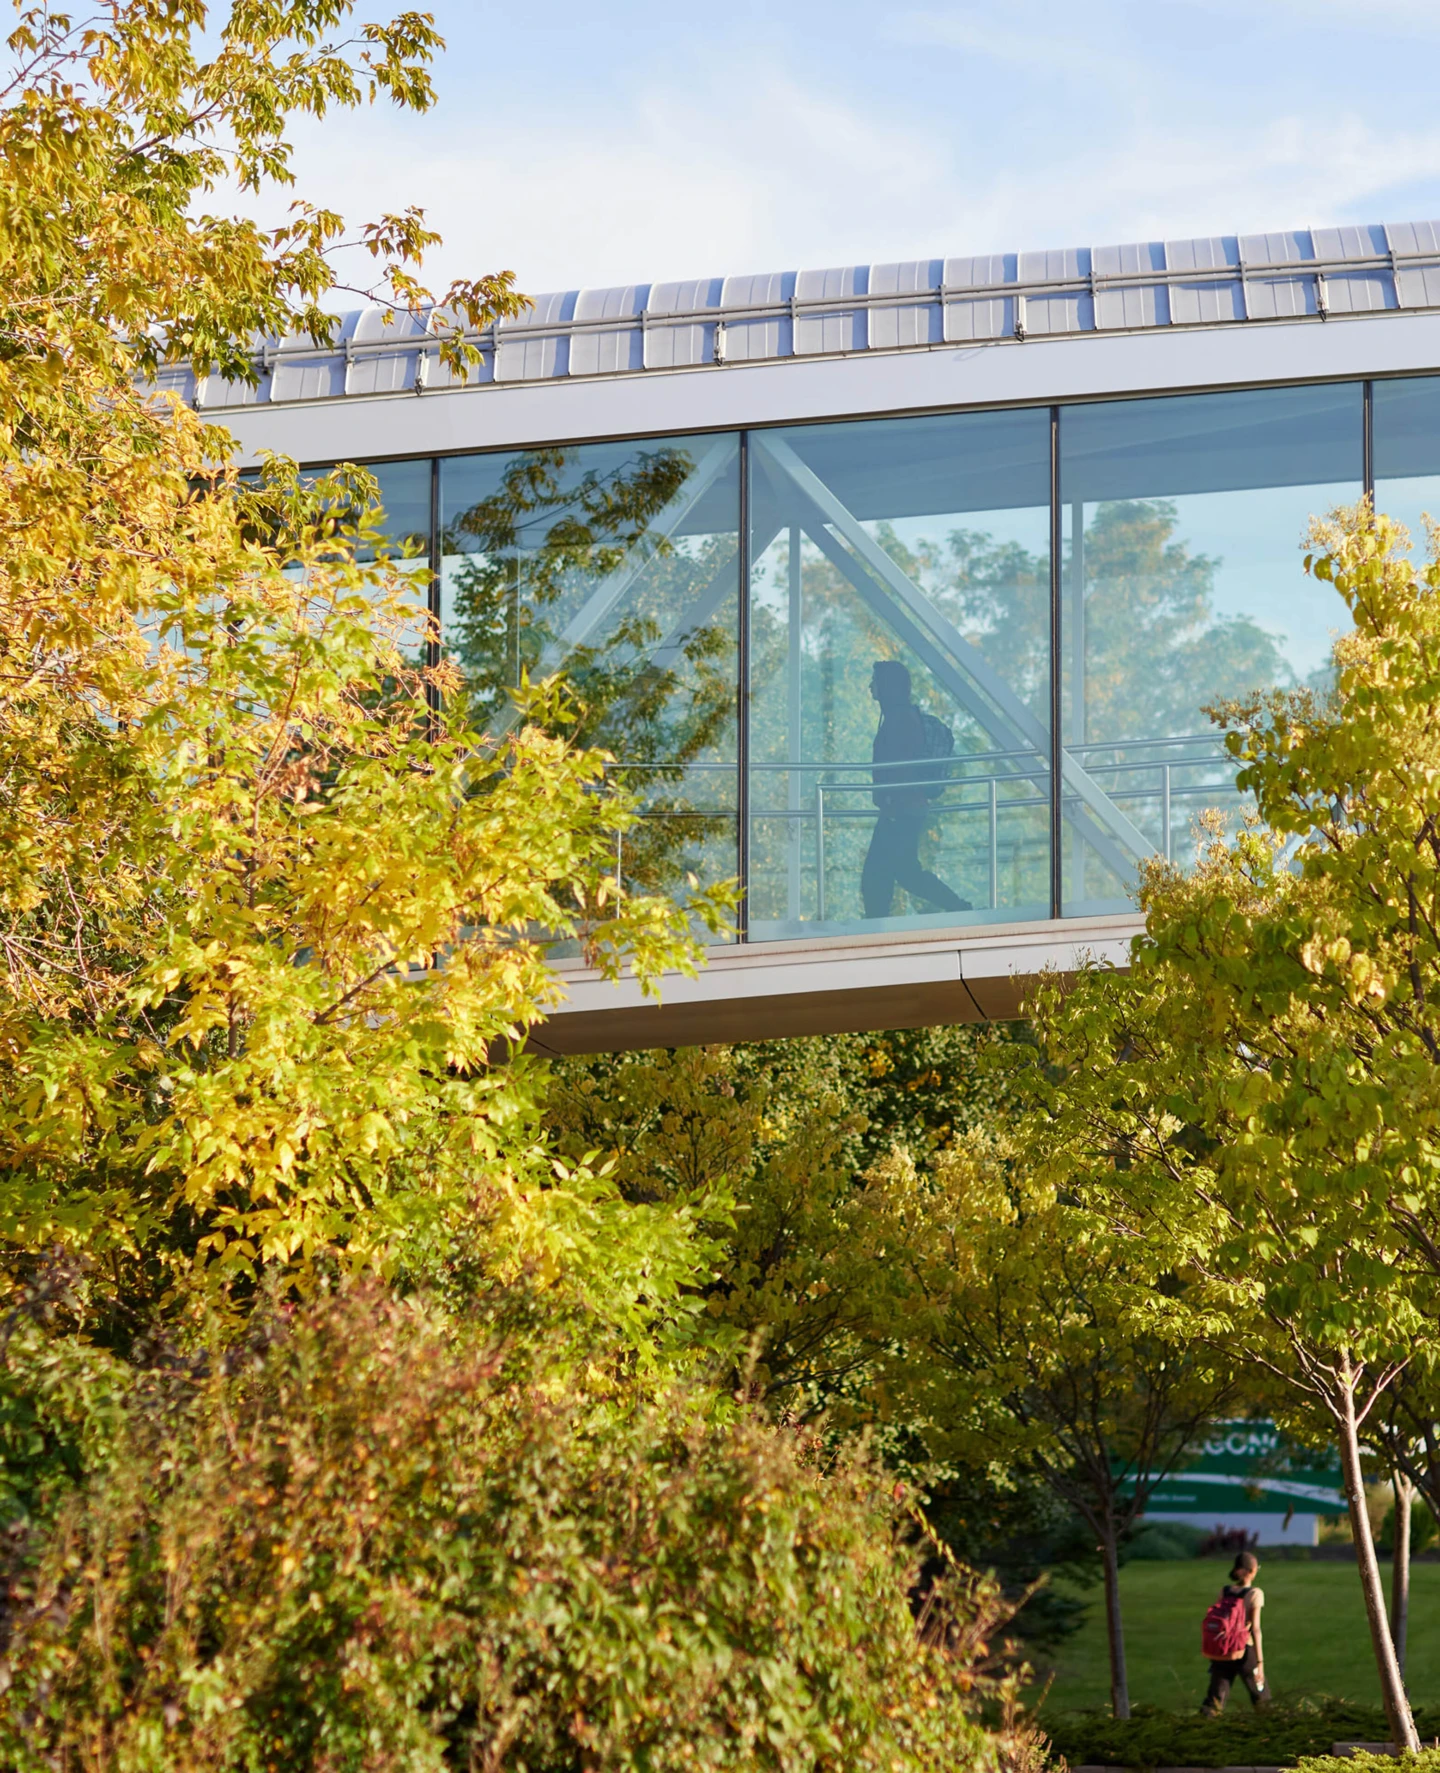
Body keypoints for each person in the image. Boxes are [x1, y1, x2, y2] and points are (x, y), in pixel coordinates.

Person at [861, 660, 970, 921]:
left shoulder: (899, 720)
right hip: (903, 809)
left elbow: (901, 767)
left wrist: (890, 801)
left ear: (888, 686)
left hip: (900, 810)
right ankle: (957, 907)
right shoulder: (901, 717)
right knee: (894, 873)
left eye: (875, 681)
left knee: (884, 875)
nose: (870, 686)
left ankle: (958, 908)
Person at [1200, 1551, 1267, 1715]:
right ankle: (1270, 1725)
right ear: (1251, 1572)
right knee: (1261, 1696)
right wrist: (1260, 1662)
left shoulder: (1225, 1591)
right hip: (1244, 1649)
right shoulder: (1254, 1594)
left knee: (1215, 1698)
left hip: (1223, 1648)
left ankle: (1204, 1726)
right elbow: (1256, 1630)